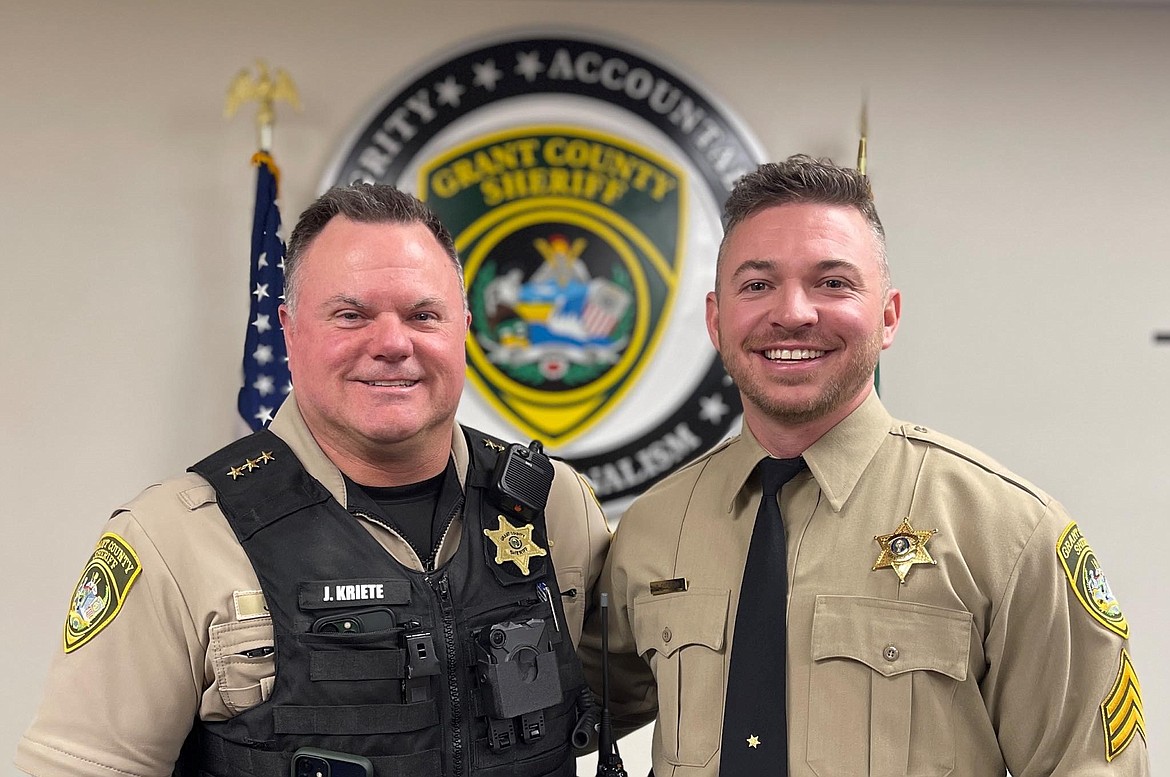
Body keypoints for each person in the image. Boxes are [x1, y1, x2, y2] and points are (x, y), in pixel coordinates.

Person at [16, 184, 612, 777]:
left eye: (423, 315)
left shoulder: (552, 506)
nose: (391, 344)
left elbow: (615, 697)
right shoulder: (176, 539)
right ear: (289, 330)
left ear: (463, 329)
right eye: (350, 316)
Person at [587, 155, 1150, 776]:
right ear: (717, 321)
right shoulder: (654, 530)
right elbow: (549, 719)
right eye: (757, 285)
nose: (794, 312)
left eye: (833, 283)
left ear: (888, 316)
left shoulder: (1008, 533)